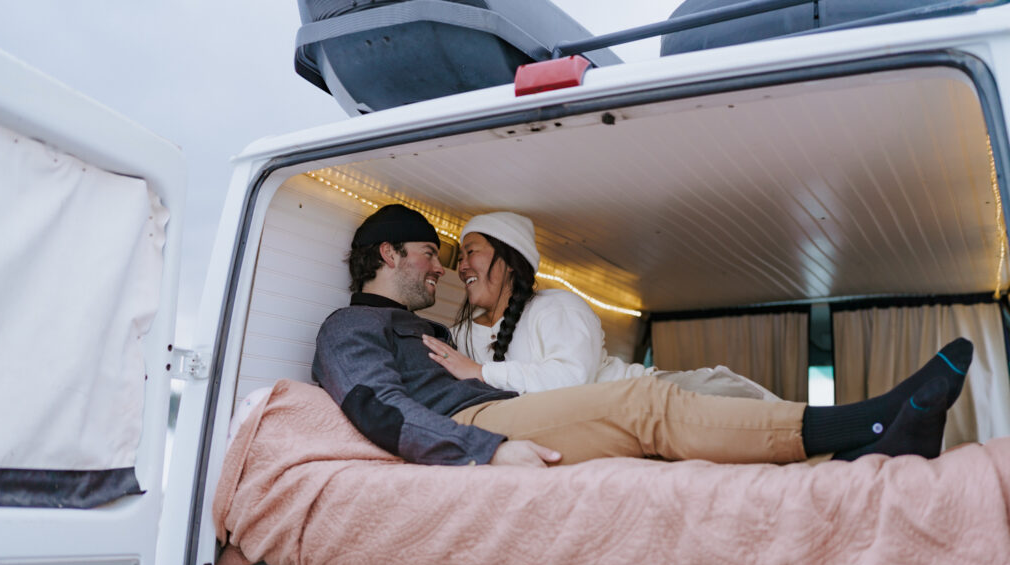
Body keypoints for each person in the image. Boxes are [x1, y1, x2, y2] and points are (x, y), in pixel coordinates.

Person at [312, 204, 971, 468]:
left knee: (657, 411)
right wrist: (485, 450)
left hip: (497, 412)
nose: (443, 265)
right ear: (388, 254)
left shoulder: (433, 328)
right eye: (429, 252)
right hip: (485, 421)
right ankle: (870, 427)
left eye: (452, 253)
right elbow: (378, 408)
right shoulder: (349, 327)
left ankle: (866, 439)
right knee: (642, 411)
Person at [427, 211, 774, 399]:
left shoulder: (556, 307)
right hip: (605, 422)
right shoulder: (461, 336)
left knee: (768, 418)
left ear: (508, 259)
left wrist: (481, 372)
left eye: (471, 251)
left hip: (654, 395)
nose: (461, 266)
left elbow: (568, 381)